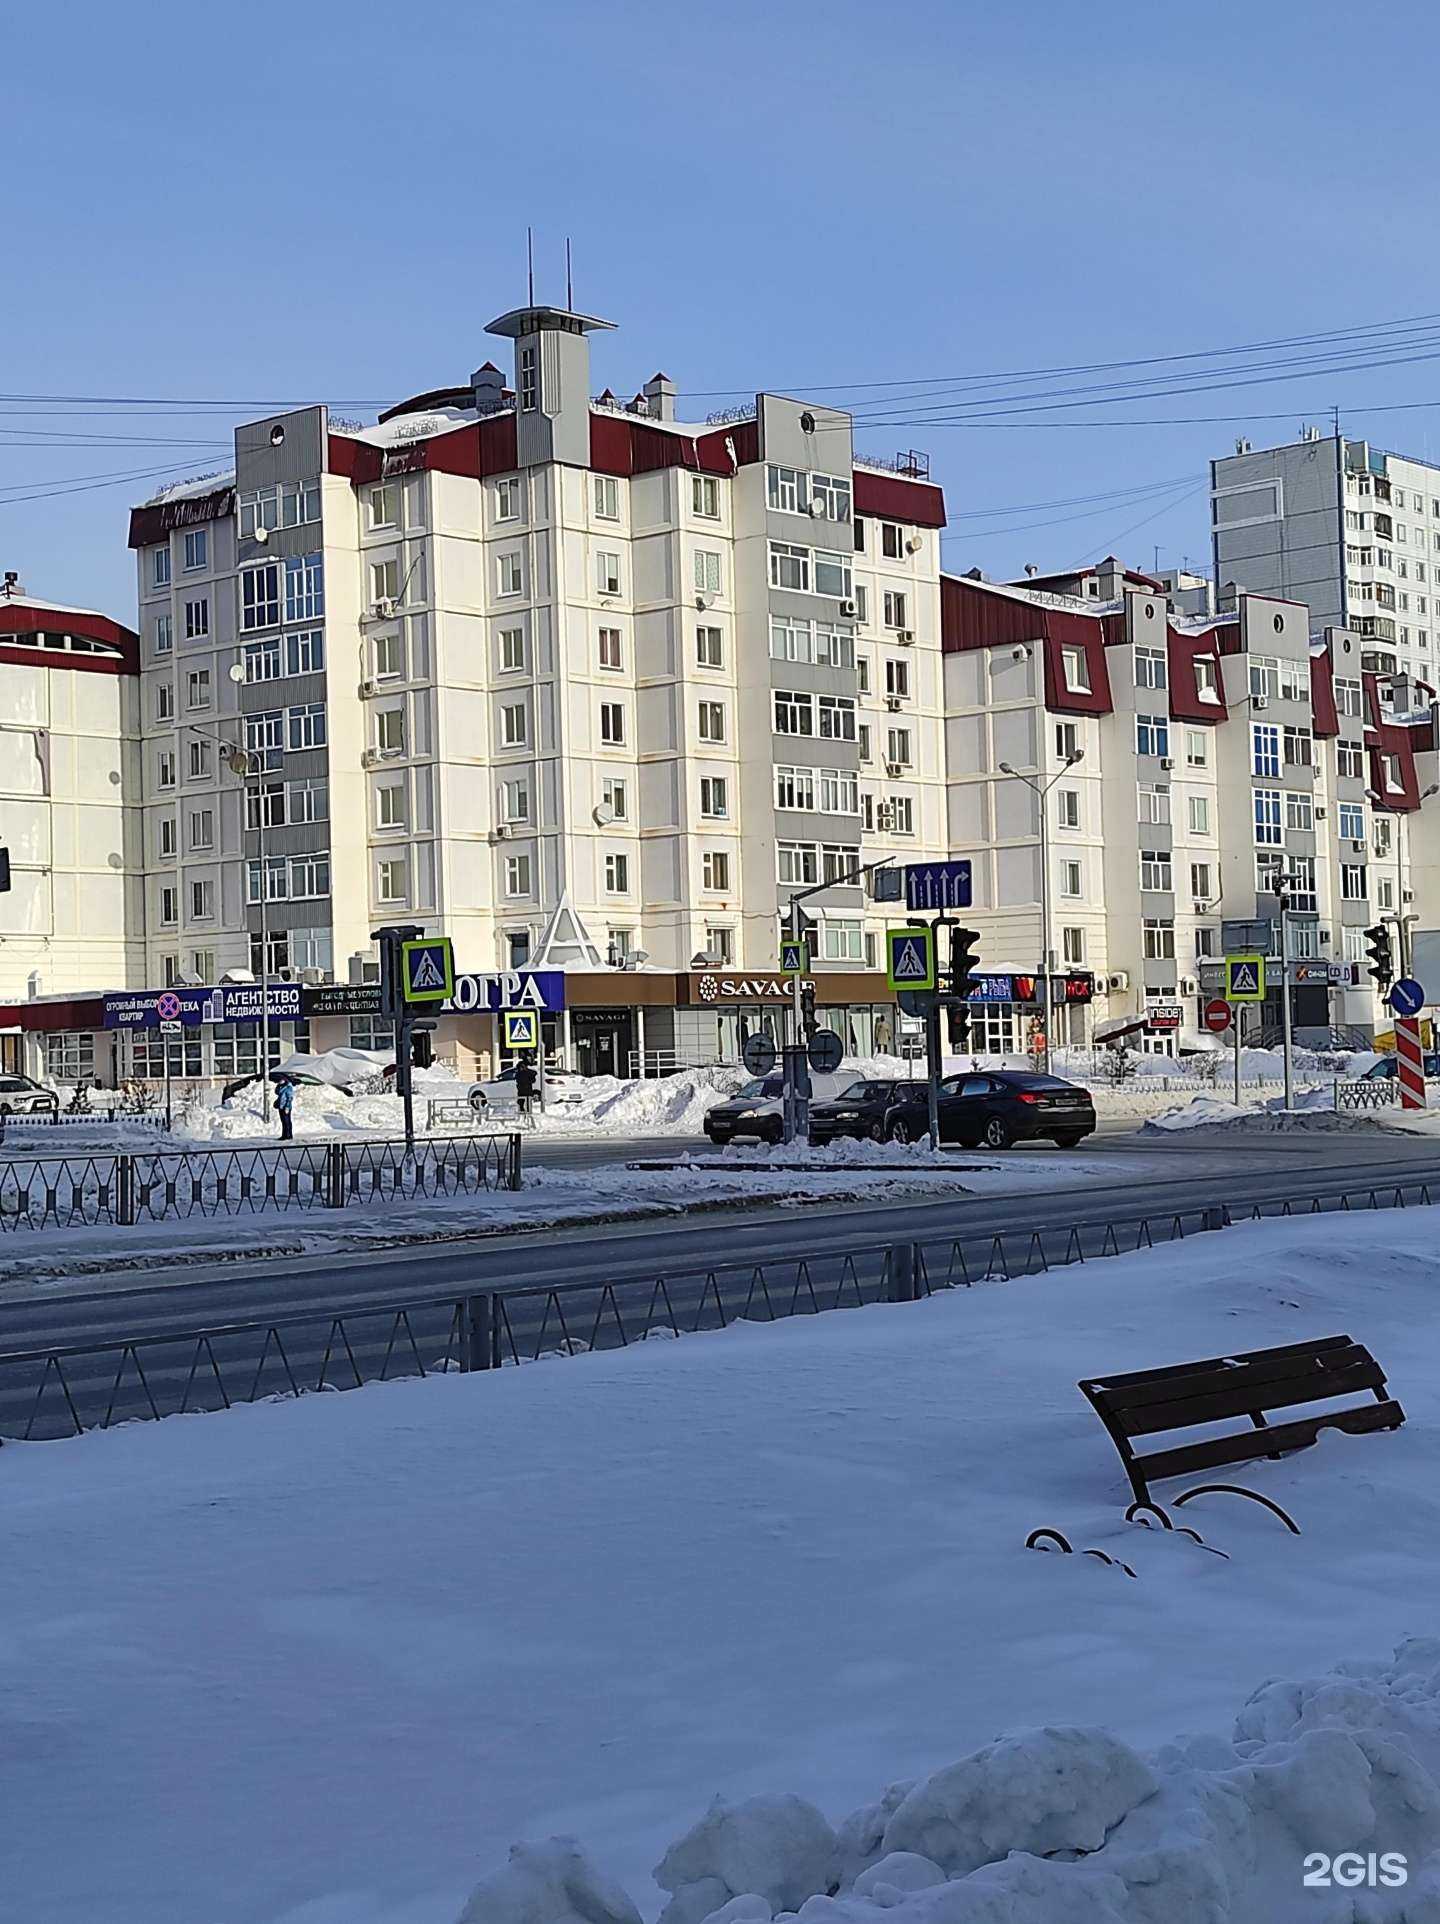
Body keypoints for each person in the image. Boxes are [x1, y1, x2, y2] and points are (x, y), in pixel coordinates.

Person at [275, 1074, 295, 1141]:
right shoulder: (281, 1087)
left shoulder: (288, 1087)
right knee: (283, 1122)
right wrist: (278, 1086)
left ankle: (288, 1135)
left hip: (286, 1107)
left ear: (285, 1080)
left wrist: (287, 1107)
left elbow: (290, 1098)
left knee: (287, 1122)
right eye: (280, 1080)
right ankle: (284, 1135)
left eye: (281, 1080)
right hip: (281, 1106)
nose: (280, 1081)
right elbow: (277, 1092)